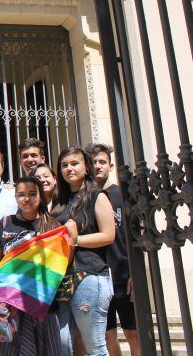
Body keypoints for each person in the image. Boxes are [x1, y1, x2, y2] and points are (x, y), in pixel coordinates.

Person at [0, 176, 66, 355]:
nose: (26, 199)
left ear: (40, 196)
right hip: (9, 302)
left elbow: (60, 263)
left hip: (41, 302)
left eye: (32, 194)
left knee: (47, 350)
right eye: (21, 194)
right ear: (15, 197)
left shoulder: (53, 226)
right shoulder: (6, 222)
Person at [53, 146, 116, 356]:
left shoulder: (97, 196)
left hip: (90, 276)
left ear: (86, 167)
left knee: (95, 346)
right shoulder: (61, 202)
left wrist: (76, 239)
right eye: (64, 165)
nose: (69, 169)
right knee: (63, 344)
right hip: (63, 279)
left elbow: (108, 235)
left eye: (74, 163)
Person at [84, 143, 138, 356]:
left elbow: (136, 236)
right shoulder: (85, 199)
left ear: (110, 165)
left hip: (123, 276)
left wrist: (136, 274)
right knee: (107, 336)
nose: (97, 166)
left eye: (102, 162)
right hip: (97, 277)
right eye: (93, 162)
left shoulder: (123, 196)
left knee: (132, 332)